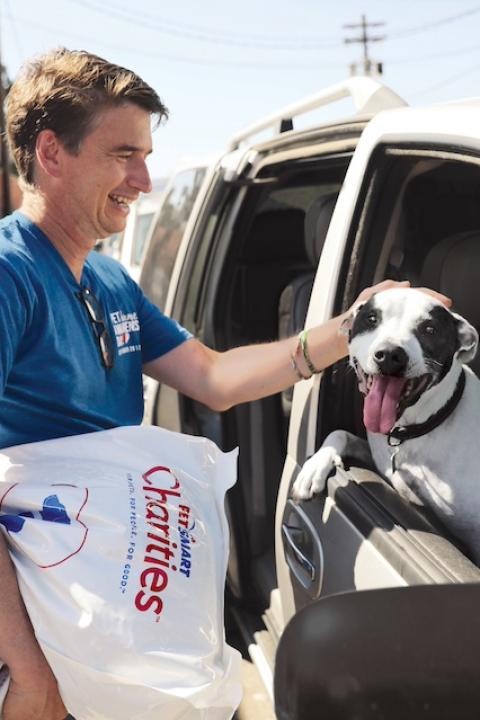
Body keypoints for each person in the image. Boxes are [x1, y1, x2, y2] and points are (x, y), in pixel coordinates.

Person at [0, 48, 450, 720]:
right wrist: (26, 667)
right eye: (124, 153)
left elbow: (211, 377)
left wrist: (347, 328)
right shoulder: (11, 274)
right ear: (51, 153)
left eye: (147, 154)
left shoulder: (109, 279)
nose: (144, 179)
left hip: (102, 608)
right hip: (38, 624)